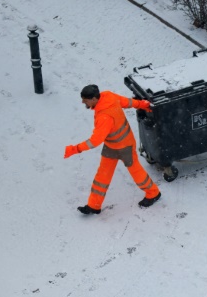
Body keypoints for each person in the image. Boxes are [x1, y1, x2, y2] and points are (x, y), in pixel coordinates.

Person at [64, 84, 161, 215]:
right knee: (102, 175)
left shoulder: (104, 117)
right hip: (111, 145)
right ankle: (94, 205)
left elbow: (95, 141)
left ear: (93, 99)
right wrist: (143, 104)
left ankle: (153, 193)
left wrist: (75, 149)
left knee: (136, 172)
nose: (83, 102)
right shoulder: (108, 96)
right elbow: (127, 102)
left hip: (125, 146)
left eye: (85, 100)